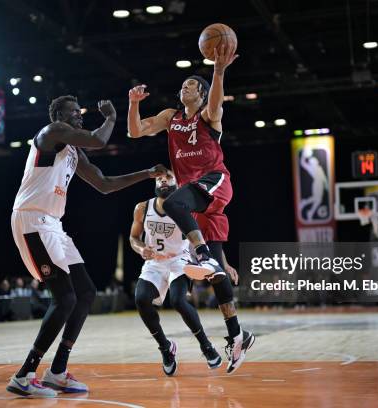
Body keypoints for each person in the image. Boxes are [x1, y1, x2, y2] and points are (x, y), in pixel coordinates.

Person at [8, 95, 167, 397]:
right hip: (31, 220)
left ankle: (57, 371)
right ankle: (25, 373)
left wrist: (146, 174)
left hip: (53, 223)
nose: (79, 118)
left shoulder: (73, 152)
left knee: (86, 293)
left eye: (80, 114)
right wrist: (110, 117)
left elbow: (104, 184)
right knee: (64, 298)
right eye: (74, 114)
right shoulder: (50, 132)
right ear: (58, 116)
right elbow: (98, 139)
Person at [127, 44, 254, 373]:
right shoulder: (170, 118)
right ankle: (237, 335)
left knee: (172, 203)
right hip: (197, 203)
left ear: (201, 93)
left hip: (214, 181)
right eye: (182, 84)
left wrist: (219, 70)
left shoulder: (209, 115)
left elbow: (216, 101)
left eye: (191, 85)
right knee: (217, 274)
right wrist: (132, 104)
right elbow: (135, 131)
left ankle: (201, 252)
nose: (184, 87)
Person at [130, 170, 222, 375]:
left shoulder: (184, 208)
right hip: (154, 263)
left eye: (168, 177)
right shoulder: (142, 208)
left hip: (178, 260)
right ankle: (165, 347)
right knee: (141, 299)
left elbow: (202, 237)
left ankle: (206, 346)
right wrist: (140, 248)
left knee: (178, 301)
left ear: (177, 182)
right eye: (159, 178)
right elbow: (133, 237)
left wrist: (220, 262)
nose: (163, 180)